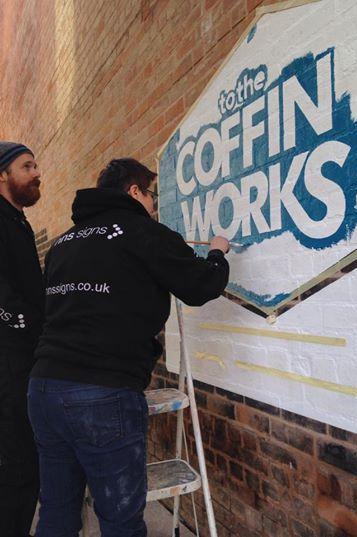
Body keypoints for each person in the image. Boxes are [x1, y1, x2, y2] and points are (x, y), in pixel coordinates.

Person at [28, 157, 230, 537]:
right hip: (102, 394)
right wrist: (218, 253)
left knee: (57, 514)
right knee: (121, 521)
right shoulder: (142, 231)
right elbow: (200, 285)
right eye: (152, 195)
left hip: (43, 389)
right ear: (135, 191)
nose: (154, 204)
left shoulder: (62, 244)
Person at [0, 141, 44, 537]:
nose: (36, 173)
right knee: (17, 466)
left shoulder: (17, 220)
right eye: (27, 166)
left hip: (23, 360)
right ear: (3, 175)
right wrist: (21, 324)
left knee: (25, 463)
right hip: (9, 363)